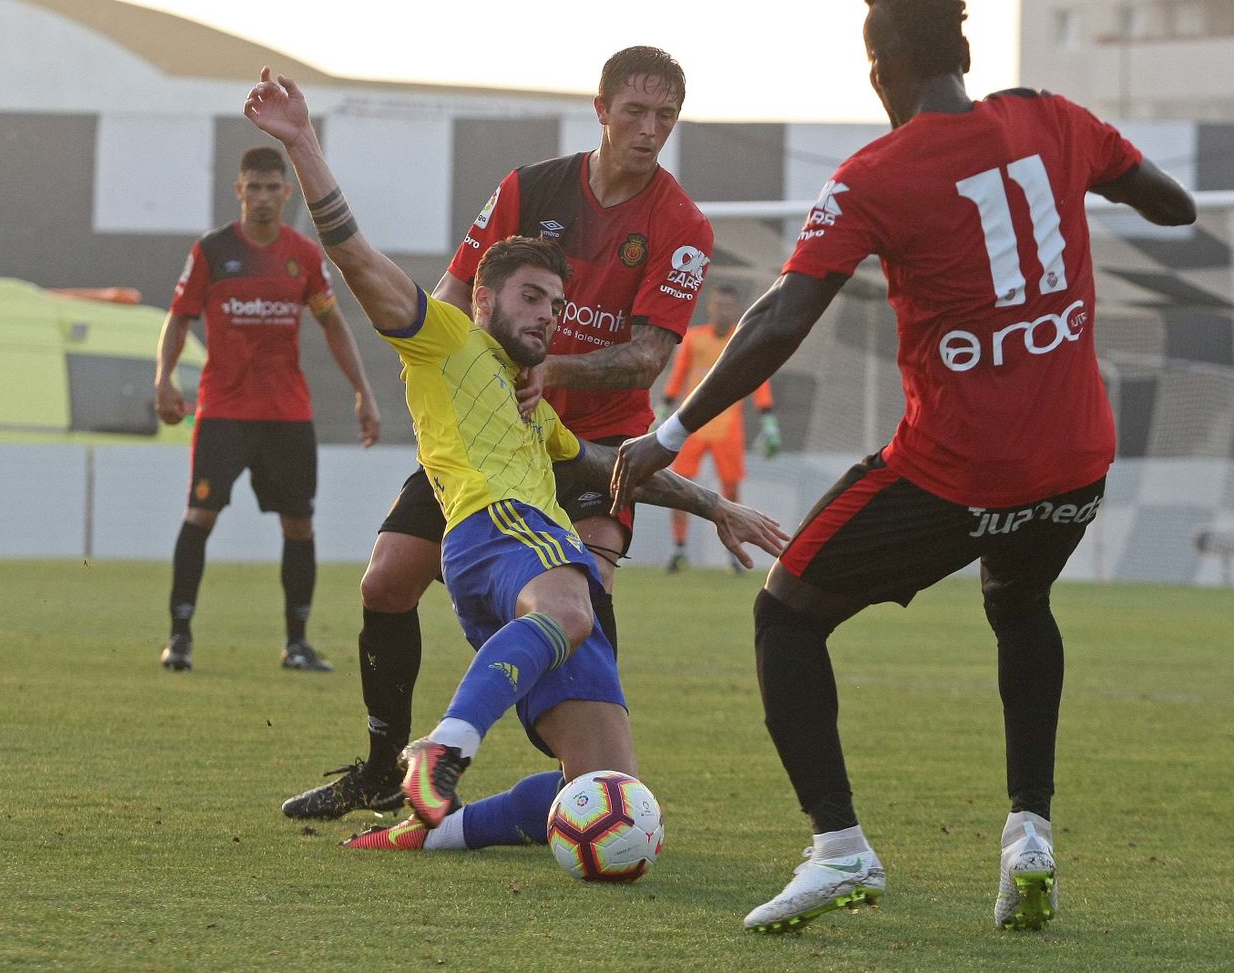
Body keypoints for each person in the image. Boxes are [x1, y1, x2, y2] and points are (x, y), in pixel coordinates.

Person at [612, 0, 1195, 933]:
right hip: (1078, 462)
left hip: (959, 472)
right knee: (1019, 602)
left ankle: (840, 848)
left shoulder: (876, 175)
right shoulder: (1053, 118)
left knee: (787, 610)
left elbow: (782, 316)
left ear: (880, 71)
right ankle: (1030, 835)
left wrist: (669, 427)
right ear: (962, 52)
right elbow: (1168, 204)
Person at [243, 67, 784, 854]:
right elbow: (371, 260)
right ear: (600, 110)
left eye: (666, 115)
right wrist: (446, 360)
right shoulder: (498, 255)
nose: (650, 127)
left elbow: (633, 392)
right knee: (400, 578)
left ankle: (432, 830)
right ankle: (402, 759)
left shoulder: (682, 226)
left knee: (602, 788)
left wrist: (715, 504)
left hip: (577, 443)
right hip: (495, 504)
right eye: (635, 110)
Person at [154, 146, 382, 674]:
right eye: (252, 188)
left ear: (286, 193)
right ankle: (180, 635)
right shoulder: (213, 251)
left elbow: (332, 323)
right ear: (239, 191)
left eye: (271, 188)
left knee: (299, 525)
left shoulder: (302, 254)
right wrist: (162, 377)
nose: (261, 198)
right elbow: (180, 316)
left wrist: (363, 391)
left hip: (287, 414)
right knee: (200, 515)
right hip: (224, 411)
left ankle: (297, 642)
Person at [660, 283, 781, 573]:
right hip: (692, 425)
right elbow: (679, 374)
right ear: (710, 307)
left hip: (729, 426)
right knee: (679, 487)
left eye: (729, 306)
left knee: (731, 491)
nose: (723, 311)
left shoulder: (742, 339)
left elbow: (757, 379)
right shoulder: (694, 339)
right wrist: (664, 409)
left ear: (736, 310)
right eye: (719, 305)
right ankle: (679, 551)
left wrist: (768, 420)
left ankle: (733, 554)